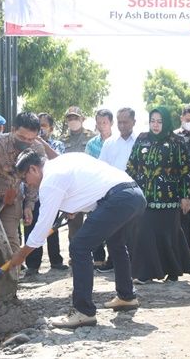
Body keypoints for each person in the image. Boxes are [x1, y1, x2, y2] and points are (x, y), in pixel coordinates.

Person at [10, 150, 146, 329]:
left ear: (33, 169)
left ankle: (84, 311)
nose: (27, 184)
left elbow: (42, 227)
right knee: (116, 244)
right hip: (134, 195)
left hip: (118, 199)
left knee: (79, 246)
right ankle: (127, 297)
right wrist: (75, 207)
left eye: (24, 178)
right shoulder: (64, 161)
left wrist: (22, 254)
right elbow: (91, 186)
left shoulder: (50, 181)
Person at [127, 106, 190, 283]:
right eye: (152, 121)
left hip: (169, 197)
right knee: (144, 232)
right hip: (144, 198)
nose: (155, 125)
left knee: (168, 234)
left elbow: (185, 170)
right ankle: (145, 273)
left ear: (166, 122)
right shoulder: (142, 139)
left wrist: (185, 195)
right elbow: (131, 166)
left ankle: (172, 270)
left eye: (159, 121)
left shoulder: (177, 142)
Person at [0, 112, 47, 252]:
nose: (26, 142)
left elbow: (35, 181)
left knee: (11, 245)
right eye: (22, 137)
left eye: (31, 139)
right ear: (12, 130)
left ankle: (11, 274)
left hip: (11, 200)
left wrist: (29, 205)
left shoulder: (37, 149)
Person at [23, 113, 69, 276]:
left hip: (52, 190)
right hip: (33, 192)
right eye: (38, 126)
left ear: (51, 128)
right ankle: (32, 264)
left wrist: (42, 144)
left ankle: (56, 260)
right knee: (32, 224)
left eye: (44, 126)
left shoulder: (57, 144)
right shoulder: (27, 144)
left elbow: (59, 162)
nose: (41, 130)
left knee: (51, 225)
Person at [96, 107, 137, 273]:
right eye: (119, 122)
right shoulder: (110, 143)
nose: (122, 125)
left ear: (134, 122)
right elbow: (101, 167)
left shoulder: (140, 140)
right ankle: (112, 261)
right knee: (114, 229)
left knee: (133, 229)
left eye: (125, 122)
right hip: (113, 192)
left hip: (134, 192)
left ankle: (134, 263)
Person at [60, 106, 97, 243]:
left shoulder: (92, 137)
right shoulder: (62, 140)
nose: (73, 120)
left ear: (82, 119)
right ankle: (75, 256)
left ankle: (96, 256)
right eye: (70, 118)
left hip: (90, 185)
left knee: (94, 221)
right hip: (72, 187)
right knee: (74, 225)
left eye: (76, 118)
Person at [85, 108, 114, 269]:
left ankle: (112, 258)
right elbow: (87, 167)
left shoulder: (118, 141)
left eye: (105, 122)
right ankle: (98, 258)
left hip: (113, 188)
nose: (102, 125)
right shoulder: (91, 144)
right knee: (95, 222)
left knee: (113, 224)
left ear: (111, 123)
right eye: (99, 122)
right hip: (95, 188)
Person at [173, 104, 190, 256]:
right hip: (176, 186)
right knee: (177, 221)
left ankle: (188, 253)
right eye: (188, 119)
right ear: (182, 118)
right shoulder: (173, 137)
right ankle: (176, 254)